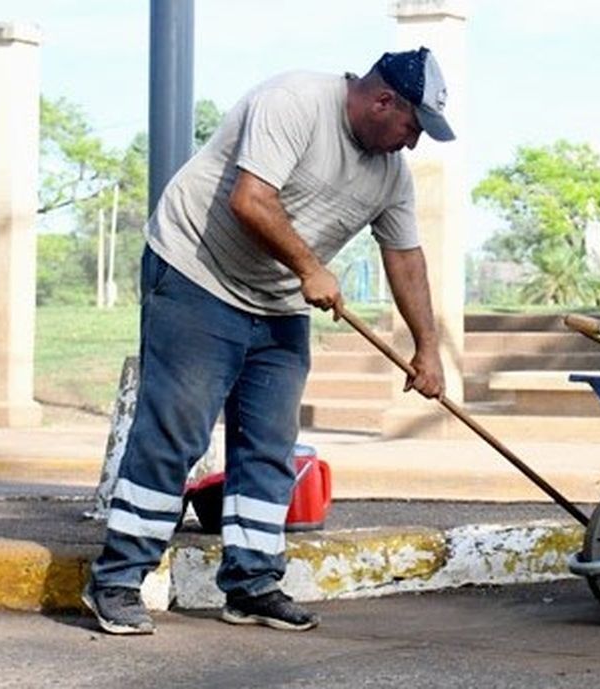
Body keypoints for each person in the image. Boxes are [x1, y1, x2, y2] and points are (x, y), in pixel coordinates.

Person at [83, 47, 455, 635]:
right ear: (385, 100)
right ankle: (117, 580)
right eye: (413, 127)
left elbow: (405, 257)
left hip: (277, 302)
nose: (412, 144)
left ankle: (253, 584)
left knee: (269, 446)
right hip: (196, 274)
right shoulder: (296, 102)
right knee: (174, 433)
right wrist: (310, 267)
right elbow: (251, 198)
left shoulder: (391, 175)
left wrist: (427, 349)